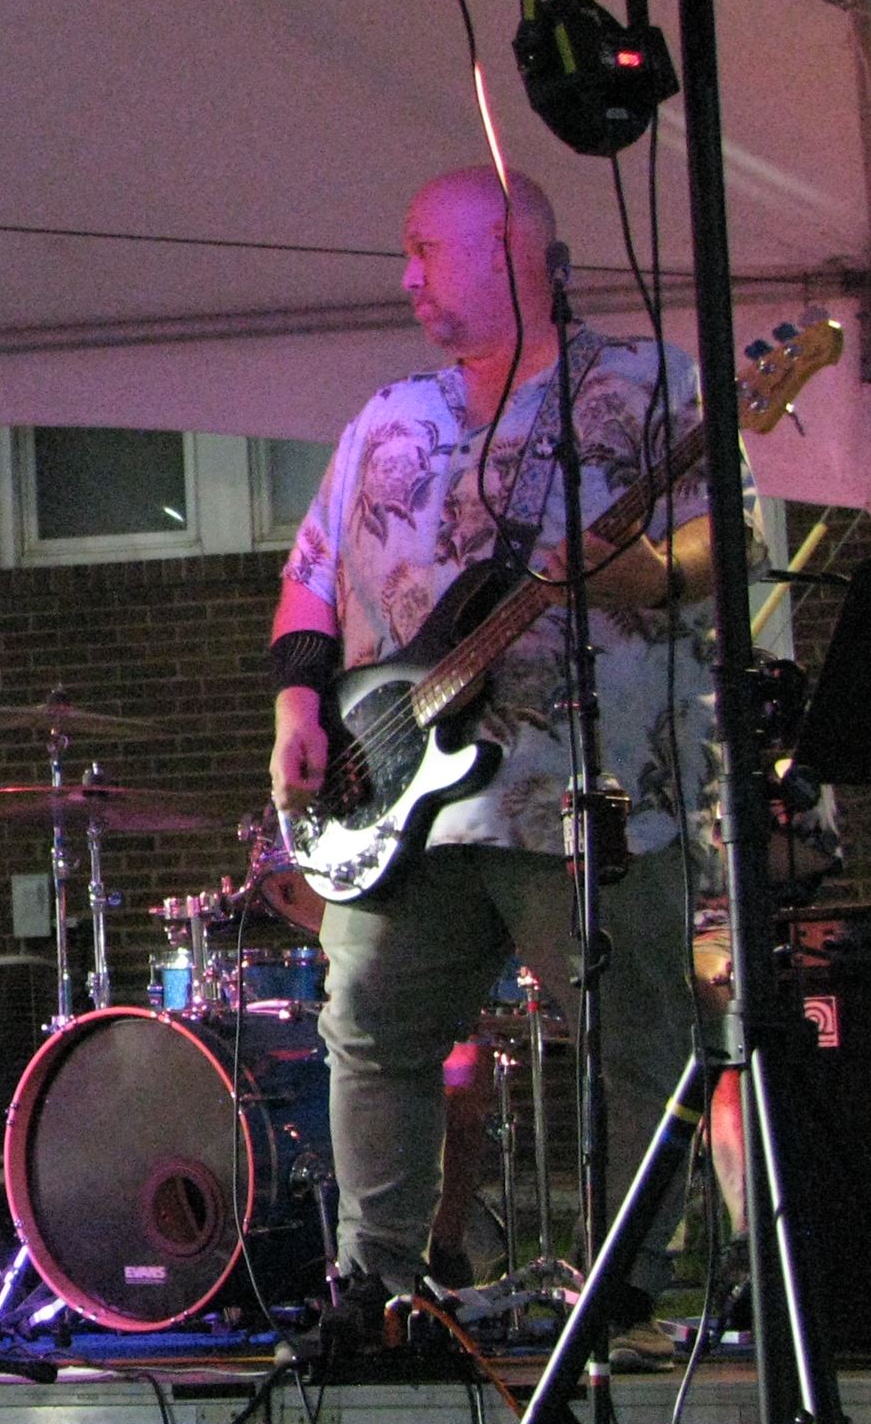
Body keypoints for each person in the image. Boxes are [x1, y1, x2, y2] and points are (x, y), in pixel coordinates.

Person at [269, 167, 711, 1360]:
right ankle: (375, 1286)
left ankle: (622, 1290)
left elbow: (719, 539)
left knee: (632, 1033)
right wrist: (296, 705)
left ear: (509, 249)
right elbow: (310, 570)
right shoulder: (385, 416)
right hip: (399, 791)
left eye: (422, 250)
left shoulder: (647, 386)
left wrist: (637, 573)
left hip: (582, 792)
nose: (405, 276)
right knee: (365, 1028)